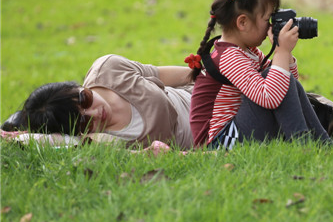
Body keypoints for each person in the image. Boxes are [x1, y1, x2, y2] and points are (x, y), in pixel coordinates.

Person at [188, 0, 329, 149]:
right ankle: (303, 145)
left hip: (237, 130)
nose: (271, 25)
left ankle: (325, 143)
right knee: (273, 76)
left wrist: (286, 55)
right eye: (267, 19)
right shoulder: (229, 56)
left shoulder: (248, 51)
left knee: (278, 77)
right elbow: (271, 97)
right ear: (243, 22)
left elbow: (286, 88)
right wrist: (281, 52)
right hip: (219, 143)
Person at [3, 54, 195, 149]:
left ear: (77, 86)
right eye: (85, 122)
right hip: (214, 133)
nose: (95, 113)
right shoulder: (100, 141)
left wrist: (212, 75)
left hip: (201, 95)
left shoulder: (109, 69)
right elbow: (60, 143)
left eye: (84, 99)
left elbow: (166, 75)